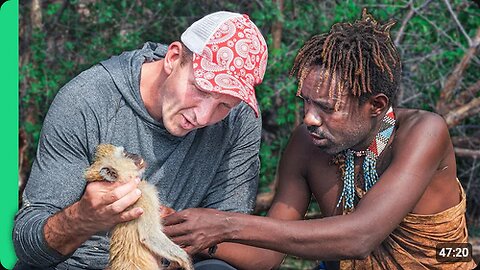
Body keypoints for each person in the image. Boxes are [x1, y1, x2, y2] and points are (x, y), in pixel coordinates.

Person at [162, 9, 477, 270]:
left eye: (327, 108)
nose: (309, 118)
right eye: (306, 102)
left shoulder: (423, 132)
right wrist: (189, 232)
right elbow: (266, 256)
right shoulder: (306, 145)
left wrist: (225, 224)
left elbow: (359, 238)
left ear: (376, 106)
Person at [13, 11, 268, 269]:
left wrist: (183, 233)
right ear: (173, 57)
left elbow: (231, 236)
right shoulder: (86, 101)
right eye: (200, 89)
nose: (203, 116)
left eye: (223, 104)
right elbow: (27, 245)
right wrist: (82, 218)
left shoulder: (239, 117)